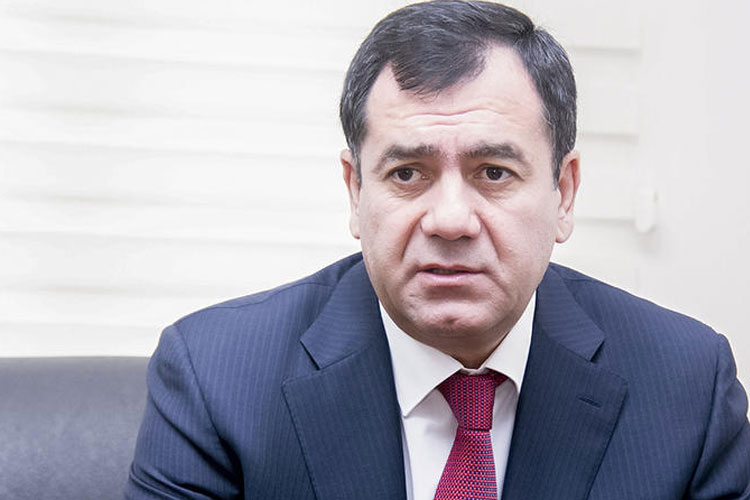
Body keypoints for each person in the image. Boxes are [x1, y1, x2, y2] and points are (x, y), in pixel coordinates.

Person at [125, 1, 750, 499]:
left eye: (494, 172)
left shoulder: (688, 387)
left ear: (563, 193)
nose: (450, 220)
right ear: (355, 191)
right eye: (407, 174)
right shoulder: (216, 380)